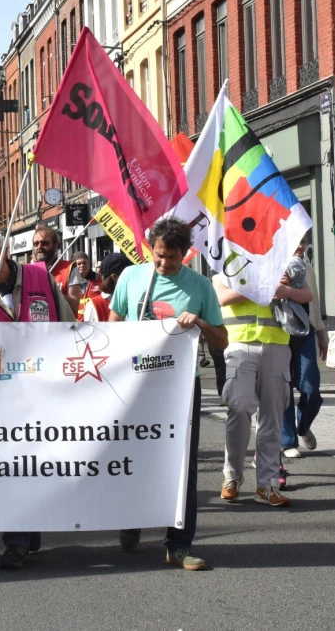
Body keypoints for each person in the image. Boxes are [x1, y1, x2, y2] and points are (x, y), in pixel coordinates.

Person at [109, 219, 227, 571]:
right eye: (159, 257)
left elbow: (222, 341)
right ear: (151, 250)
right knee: (131, 456)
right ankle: (131, 519)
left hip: (179, 387)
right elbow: (112, 323)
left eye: (172, 259)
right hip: (133, 385)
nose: (164, 265)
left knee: (182, 466)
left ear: (185, 253)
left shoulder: (200, 286)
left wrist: (203, 325)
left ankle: (178, 544)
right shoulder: (132, 278)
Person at [0, 230, 74, 570]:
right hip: (2, 397)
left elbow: (69, 324)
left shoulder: (42, 276)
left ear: (4, 250)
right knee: (10, 466)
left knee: (39, 464)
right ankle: (16, 541)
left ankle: (29, 527)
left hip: (45, 391)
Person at [215, 264, 310, 509]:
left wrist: (284, 289)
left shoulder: (280, 262)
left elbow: (307, 294)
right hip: (239, 343)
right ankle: (232, 476)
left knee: (272, 415)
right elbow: (223, 297)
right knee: (239, 407)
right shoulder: (226, 266)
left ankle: (267, 485)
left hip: (277, 343)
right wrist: (265, 284)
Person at [280, 241, 326, 459]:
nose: (299, 246)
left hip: (305, 331)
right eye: (294, 241)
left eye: (303, 242)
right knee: (283, 389)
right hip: (279, 332)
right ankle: (288, 441)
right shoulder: (273, 264)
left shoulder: (307, 268)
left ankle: (303, 425)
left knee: (311, 387)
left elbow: (314, 303)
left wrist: (321, 335)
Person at [81, 252, 133, 322]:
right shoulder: (94, 305)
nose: (132, 278)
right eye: (129, 275)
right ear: (114, 277)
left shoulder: (136, 299)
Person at [31, 224, 70, 289]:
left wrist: (50, 292)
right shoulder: (27, 271)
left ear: (55, 245)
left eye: (44, 243)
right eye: (36, 243)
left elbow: (74, 298)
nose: (39, 247)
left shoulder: (69, 268)